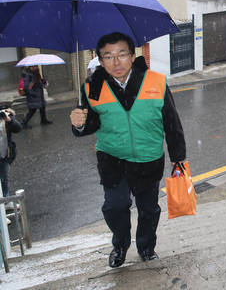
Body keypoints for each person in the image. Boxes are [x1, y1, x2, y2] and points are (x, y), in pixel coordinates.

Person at [69, 32, 186, 268]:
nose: (116, 62)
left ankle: (145, 247)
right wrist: (79, 124)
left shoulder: (156, 81)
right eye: (108, 56)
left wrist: (178, 158)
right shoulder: (91, 87)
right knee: (115, 206)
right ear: (100, 61)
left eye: (122, 54)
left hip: (148, 158)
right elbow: (91, 124)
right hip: (112, 158)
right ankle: (120, 245)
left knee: (149, 209)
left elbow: (171, 122)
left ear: (133, 56)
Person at [0, 103, 22, 197]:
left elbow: (18, 128)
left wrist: (9, 120)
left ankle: (6, 200)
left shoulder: (6, 115)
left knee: (5, 179)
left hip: (4, 154)